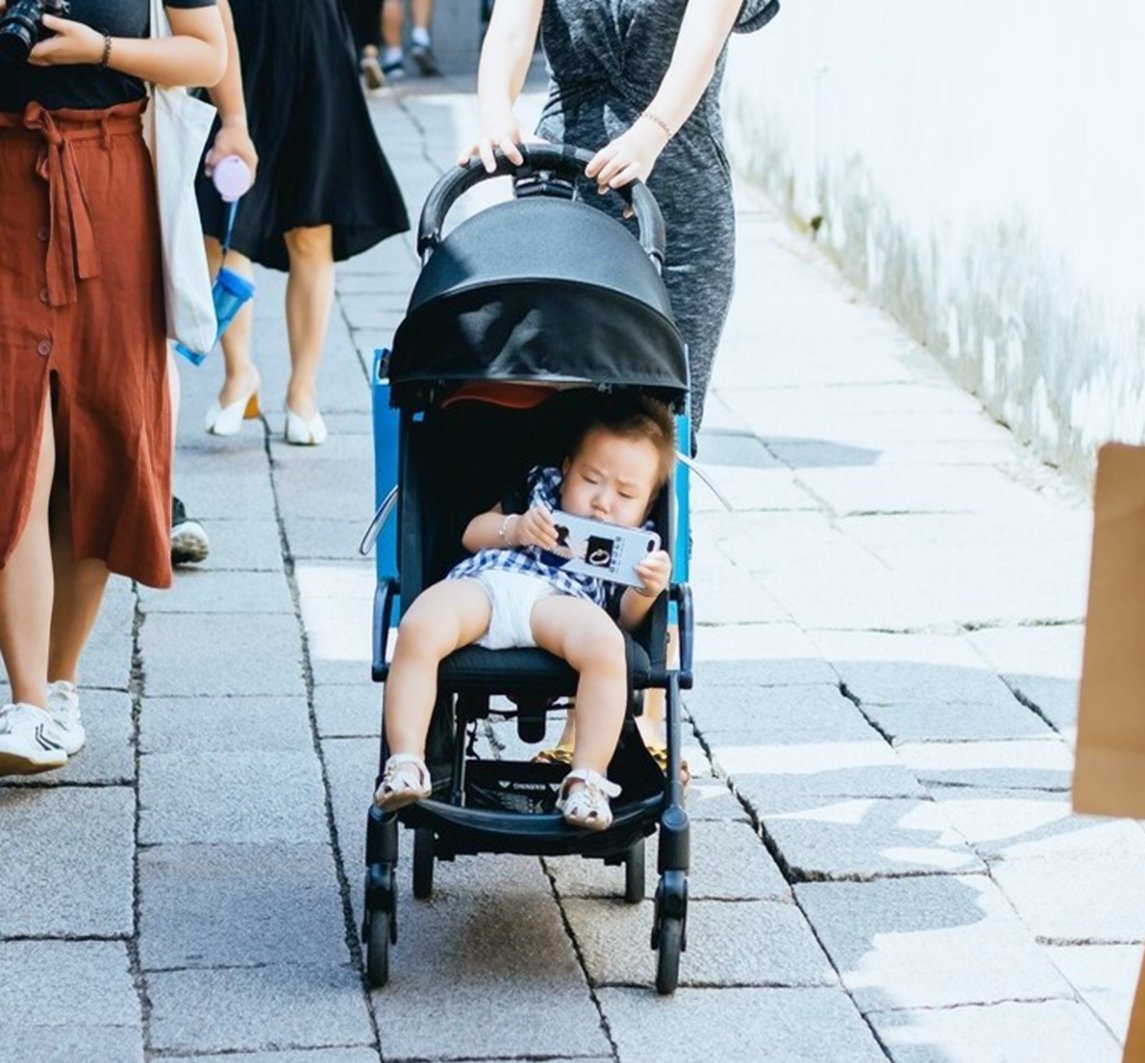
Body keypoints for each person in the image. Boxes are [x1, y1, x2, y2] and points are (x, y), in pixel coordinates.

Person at [465, 0, 780, 768]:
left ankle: (643, 692)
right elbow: (512, 23)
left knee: (656, 441)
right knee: (569, 430)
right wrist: (492, 109)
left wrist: (651, 131)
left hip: (679, 192)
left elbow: (702, 36)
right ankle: (567, 658)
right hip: (564, 190)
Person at [0, 0, 228, 775]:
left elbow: (208, 57)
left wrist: (101, 48)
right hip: (3, 180)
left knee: (101, 438)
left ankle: (60, 685)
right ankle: (27, 700)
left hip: (112, 182)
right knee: (14, 439)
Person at [373, 392, 676, 831]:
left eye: (625, 493)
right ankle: (406, 761)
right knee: (419, 625)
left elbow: (626, 619)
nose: (602, 501)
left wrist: (647, 588)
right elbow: (471, 534)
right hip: (490, 582)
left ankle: (588, 779)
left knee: (609, 646)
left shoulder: (634, 544)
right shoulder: (539, 488)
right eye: (591, 478)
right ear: (568, 466)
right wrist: (513, 528)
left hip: (563, 603)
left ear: (646, 506)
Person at [194, 0, 409, 447]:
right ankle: (239, 374)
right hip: (235, 35)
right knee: (223, 221)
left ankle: (303, 391)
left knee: (312, 228)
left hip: (313, 41)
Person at [169, 0, 259, 568]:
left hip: (133, 131)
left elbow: (207, 17)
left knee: (147, 340)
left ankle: (155, 493)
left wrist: (234, 122)